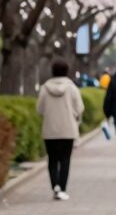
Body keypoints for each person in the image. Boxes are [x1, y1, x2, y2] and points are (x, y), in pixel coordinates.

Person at [36, 58, 85, 200]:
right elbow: (80, 108)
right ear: (67, 71)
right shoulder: (72, 88)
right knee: (65, 160)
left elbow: (39, 109)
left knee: (52, 159)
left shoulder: (45, 88)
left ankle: (54, 186)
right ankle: (62, 188)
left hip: (50, 130)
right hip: (68, 130)